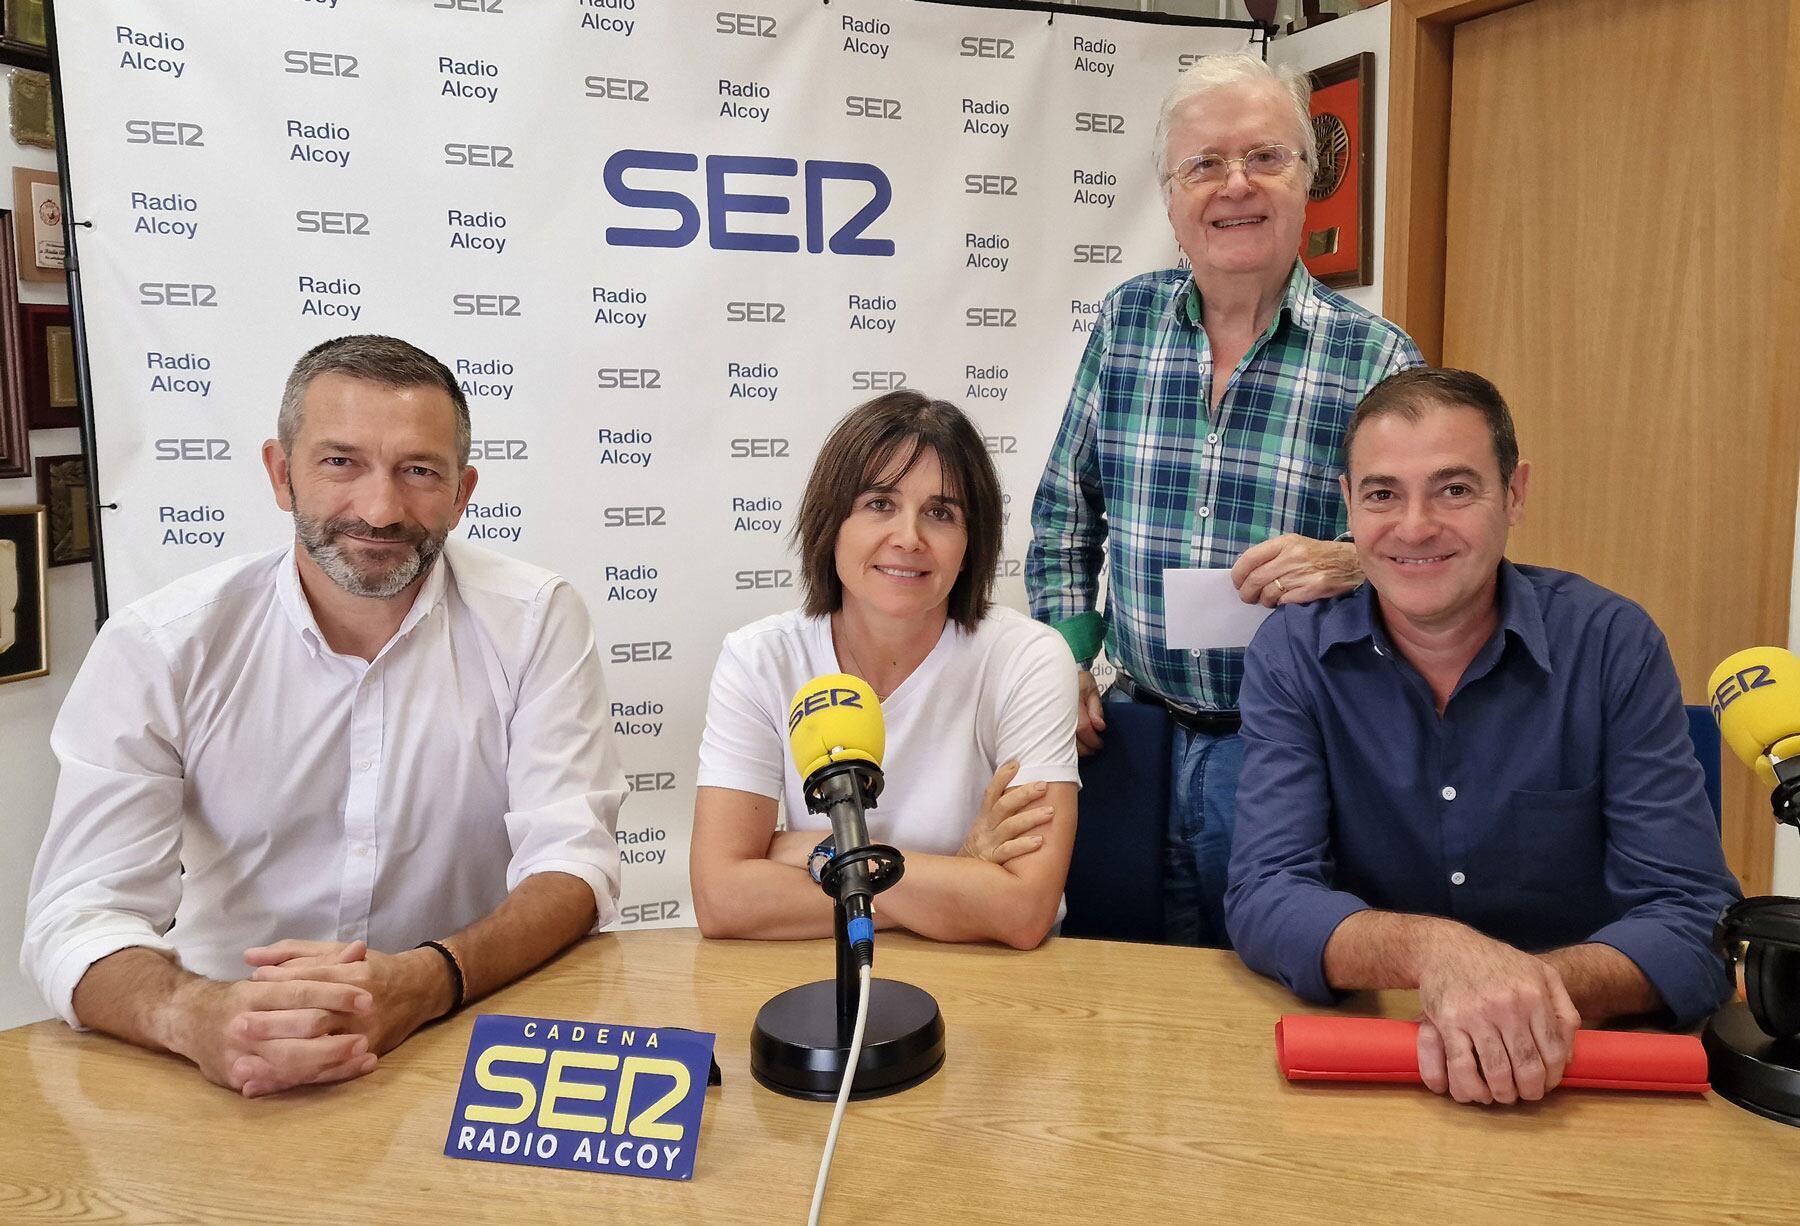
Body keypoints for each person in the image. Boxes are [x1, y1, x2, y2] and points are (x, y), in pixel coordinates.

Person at [21, 334, 627, 1098]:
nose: (380, 509)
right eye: (341, 462)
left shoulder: (535, 618)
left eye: (419, 471)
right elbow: (79, 917)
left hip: (464, 1038)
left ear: (463, 491)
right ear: (282, 474)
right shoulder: (161, 645)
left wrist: (427, 980)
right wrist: (195, 1015)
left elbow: (573, 865)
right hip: (223, 1055)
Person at [1225, 367, 1741, 1105]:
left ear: (1516, 494)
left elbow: (1695, 918)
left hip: (1581, 1066)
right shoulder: (1292, 654)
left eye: (1455, 489)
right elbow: (1267, 894)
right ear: (1346, 504)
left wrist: (1516, 992)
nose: (1414, 526)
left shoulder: (1613, 643)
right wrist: (1437, 952)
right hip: (1383, 1059)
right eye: (1382, 494)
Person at [1026, 52, 1422, 947]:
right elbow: (1062, 517)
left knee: (1269, 984)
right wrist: (1066, 660)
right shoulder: (1125, 324)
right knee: (1117, 979)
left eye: (1264, 157)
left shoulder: (1379, 361)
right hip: (1132, 734)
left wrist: (1354, 561)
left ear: (1307, 179)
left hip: (1293, 748)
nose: (1233, 185)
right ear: (1169, 196)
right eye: (1204, 164)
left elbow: (1437, 550)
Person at [691, 391, 1080, 949]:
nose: (908, 537)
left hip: (990, 972)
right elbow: (723, 899)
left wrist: (813, 851)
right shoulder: (759, 658)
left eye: (941, 513)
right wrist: (961, 873)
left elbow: (1022, 911)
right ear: (833, 523)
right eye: (879, 504)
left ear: (971, 545)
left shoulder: (1027, 658)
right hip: (821, 962)